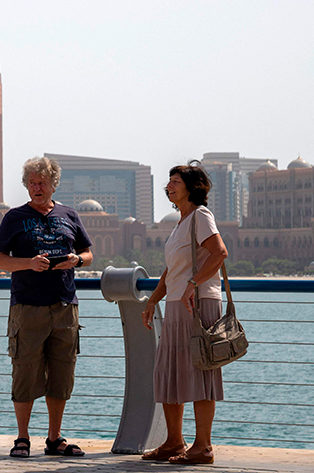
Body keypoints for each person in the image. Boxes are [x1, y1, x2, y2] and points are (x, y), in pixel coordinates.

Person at [0, 156, 93, 458]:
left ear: (53, 184)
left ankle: (54, 439)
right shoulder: (14, 217)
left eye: (42, 182)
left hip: (64, 306)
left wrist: (77, 260)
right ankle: (22, 438)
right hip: (28, 306)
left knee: (62, 373)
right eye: (32, 183)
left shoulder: (69, 214)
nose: (37, 187)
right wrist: (28, 264)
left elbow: (88, 254)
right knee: (25, 370)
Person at [140, 162, 228, 465]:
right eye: (169, 181)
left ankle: (203, 447)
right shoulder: (181, 222)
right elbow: (171, 270)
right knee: (170, 372)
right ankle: (174, 442)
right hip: (177, 303)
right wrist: (153, 300)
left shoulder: (201, 216)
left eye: (175, 181)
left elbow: (219, 252)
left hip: (199, 304)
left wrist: (194, 283)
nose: (169, 186)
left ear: (191, 188)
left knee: (201, 370)